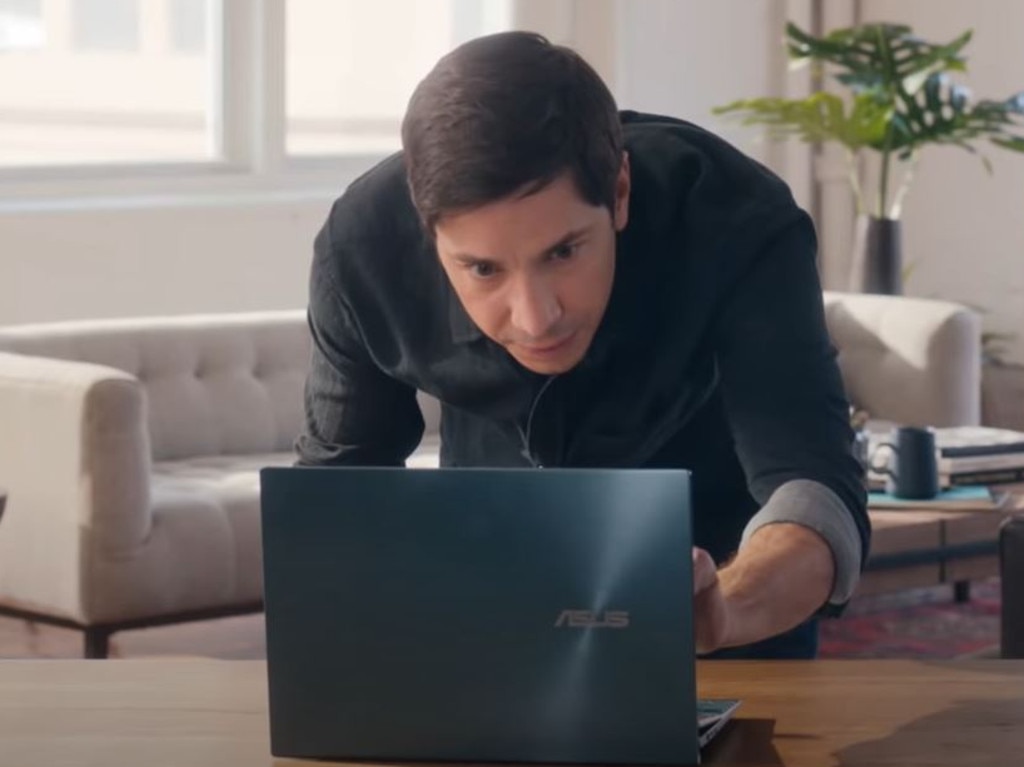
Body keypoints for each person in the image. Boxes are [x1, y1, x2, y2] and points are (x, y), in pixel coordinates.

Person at [295, 31, 870, 659]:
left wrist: (726, 612)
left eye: (563, 251)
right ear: (427, 232)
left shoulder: (735, 218)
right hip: (489, 611)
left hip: (729, 609)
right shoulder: (361, 249)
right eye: (484, 269)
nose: (536, 319)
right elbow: (334, 504)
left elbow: (816, 487)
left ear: (619, 192)